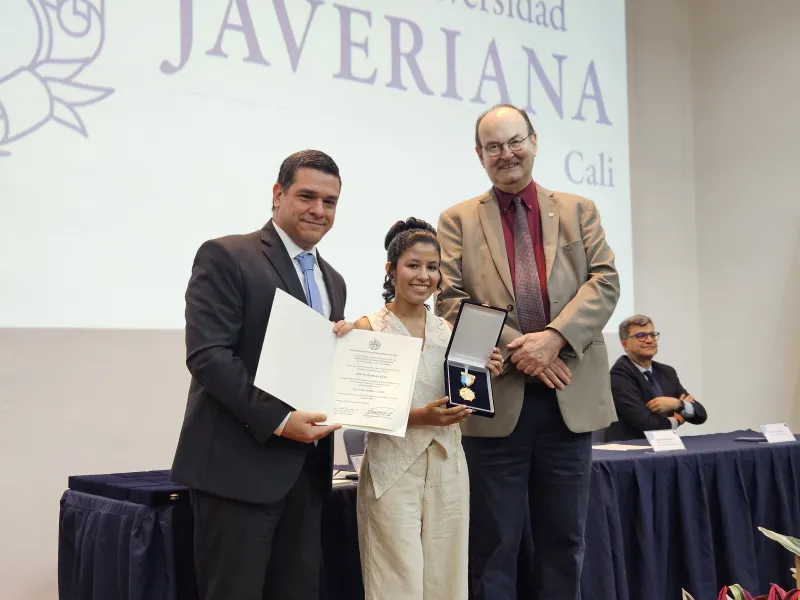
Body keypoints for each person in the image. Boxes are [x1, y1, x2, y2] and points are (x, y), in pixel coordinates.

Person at [436, 104, 620, 600]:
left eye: (514, 141)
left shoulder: (580, 209)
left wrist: (555, 338)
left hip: (569, 398)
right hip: (495, 401)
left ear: (534, 141)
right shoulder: (456, 220)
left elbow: (604, 282)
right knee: (492, 546)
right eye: (493, 146)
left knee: (564, 542)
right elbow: (450, 300)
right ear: (479, 155)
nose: (506, 154)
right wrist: (523, 351)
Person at [169, 150, 350, 600]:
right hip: (237, 472)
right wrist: (281, 420)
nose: (319, 210)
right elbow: (209, 356)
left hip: (306, 479)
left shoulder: (333, 279)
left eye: (330, 202)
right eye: (307, 196)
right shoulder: (227, 255)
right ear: (277, 195)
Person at [341, 218, 503, 600]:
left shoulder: (450, 331)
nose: (423, 276)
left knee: (448, 579)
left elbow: (460, 394)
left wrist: (483, 376)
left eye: (432, 267)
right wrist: (420, 418)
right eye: (413, 265)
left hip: (449, 465)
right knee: (396, 579)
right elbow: (359, 408)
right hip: (392, 468)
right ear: (391, 269)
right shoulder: (367, 328)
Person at [605, 314, 707, 441]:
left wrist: (677, 403)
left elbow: (700, 414)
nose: (649, 340)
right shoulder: (619, 375)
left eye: (652, 335)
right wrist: (676, 420)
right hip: (631, 450)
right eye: (641, 336)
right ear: (625, 344)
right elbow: (645, 423)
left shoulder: (667, 372)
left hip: (665, 447)